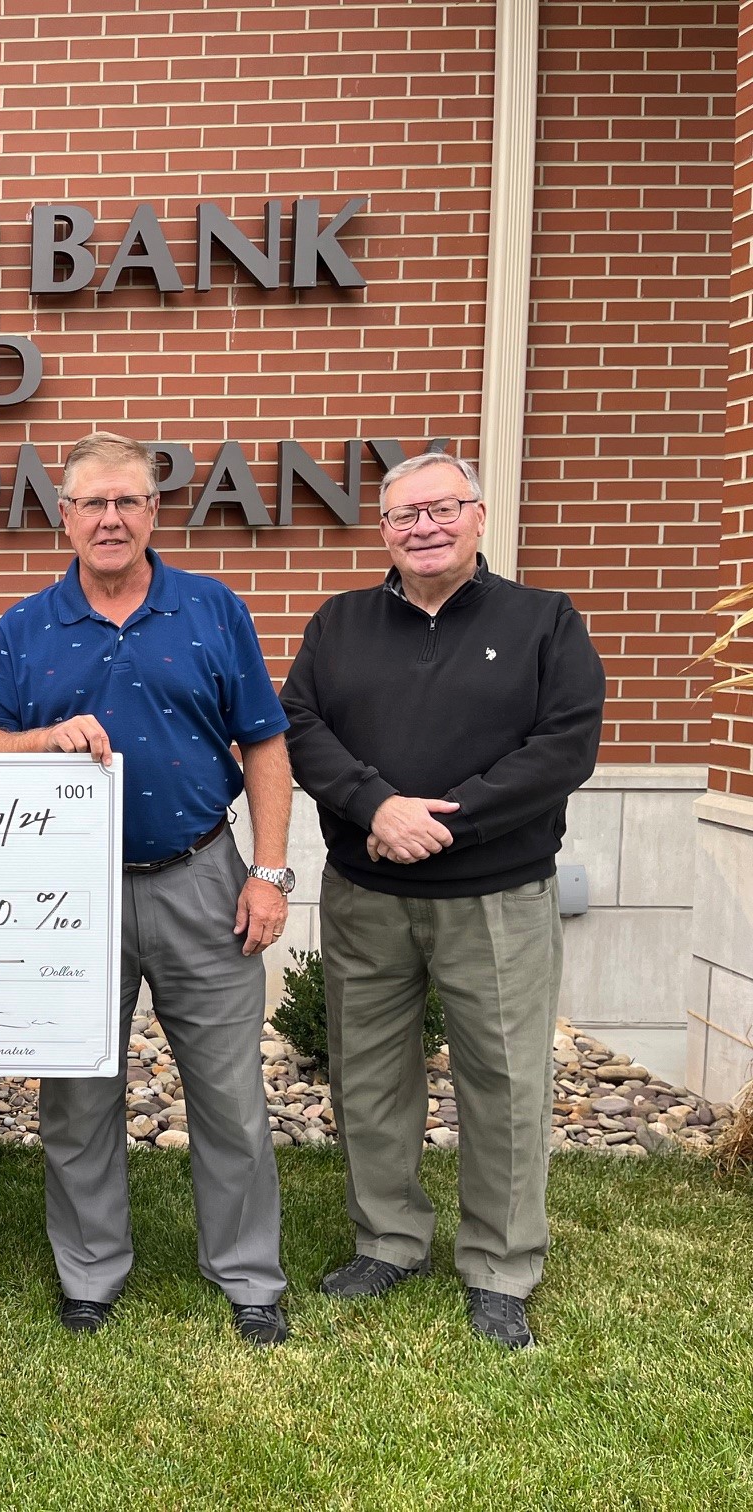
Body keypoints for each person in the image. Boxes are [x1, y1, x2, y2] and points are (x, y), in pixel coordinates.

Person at [0, 431, 297, 1346]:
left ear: (153, 513)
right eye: (92, 503)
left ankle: (248, 1276)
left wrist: (267, 873)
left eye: (129, 502)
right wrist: (48, 738)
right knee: (78, 1093)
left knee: (229, 1095)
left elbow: (265, 743)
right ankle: (90, 1272)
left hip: (201, 877)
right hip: (69, 895)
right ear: (63, 517)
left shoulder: (213, 608)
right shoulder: (25, 627)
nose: (110, 518)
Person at [280, 451, 604, 1350]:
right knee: (368, 1076)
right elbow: (300, 727)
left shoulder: (543, 620)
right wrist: (375, 804)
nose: (423, 528)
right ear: (382, 531)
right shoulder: (340, 623)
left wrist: (442, 824)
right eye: (403, 516)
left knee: (503, 1081)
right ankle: (388, 1241)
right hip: (366, 894)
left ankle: (501, 1265)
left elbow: (563, 747)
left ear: (478, 515)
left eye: (442, 509)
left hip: (495, 898)